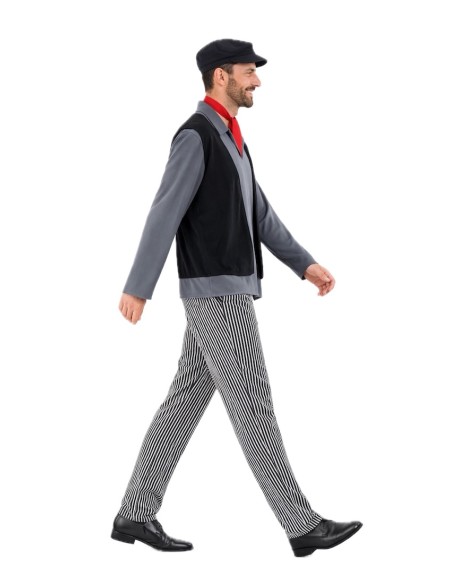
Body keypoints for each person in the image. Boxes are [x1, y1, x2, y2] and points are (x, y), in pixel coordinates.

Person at [111, 38, 362, 557]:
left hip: (227, 288)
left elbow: (260, 213)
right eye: (249, 72)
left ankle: (134, 513)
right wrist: (139, 286)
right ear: (221, 76)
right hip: (217, 293)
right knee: (253, 402)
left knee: (184, 400)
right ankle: (301, 526)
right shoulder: (196, 136)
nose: (258, 81)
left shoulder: (234, 140)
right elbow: (164, 211)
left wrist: (305, 264)